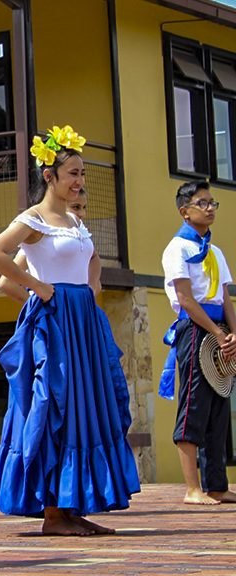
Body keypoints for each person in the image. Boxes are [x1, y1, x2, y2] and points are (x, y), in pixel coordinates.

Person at [0, 125, 140, 536]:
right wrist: (39, 289)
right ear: (49, 176)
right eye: (73, 172)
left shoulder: (72, 220)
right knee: (56, 403)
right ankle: (53, 514)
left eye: (82, 173)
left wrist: (91, 287)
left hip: (83, 322)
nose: (80, 181)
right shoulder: (32, 220)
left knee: (88, 405)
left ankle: (72, 507)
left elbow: (91, 259)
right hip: (54, 325)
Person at [159, 181, 236, 505]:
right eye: (201, 203)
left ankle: (216, 484)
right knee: (193, 404)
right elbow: (186, 299)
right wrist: (216, 334)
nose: (209, 208)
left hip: (219, 329)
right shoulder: (178, 248)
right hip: (195, 329)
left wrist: (232, 333)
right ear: (184, 211)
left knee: (219, 403)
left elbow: (226, 298)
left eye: (211, 203)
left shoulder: (215, 251)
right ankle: (192, 488)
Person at [0, 188, 94, 303]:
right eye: (75, 207)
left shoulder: (80, 237)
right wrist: (38, 305)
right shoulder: (43, 241)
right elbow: (6, 283)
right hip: (57, 309)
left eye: (84, 207)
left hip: (81, 305)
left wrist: (92, 287)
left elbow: (94, 257)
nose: (82, 214)